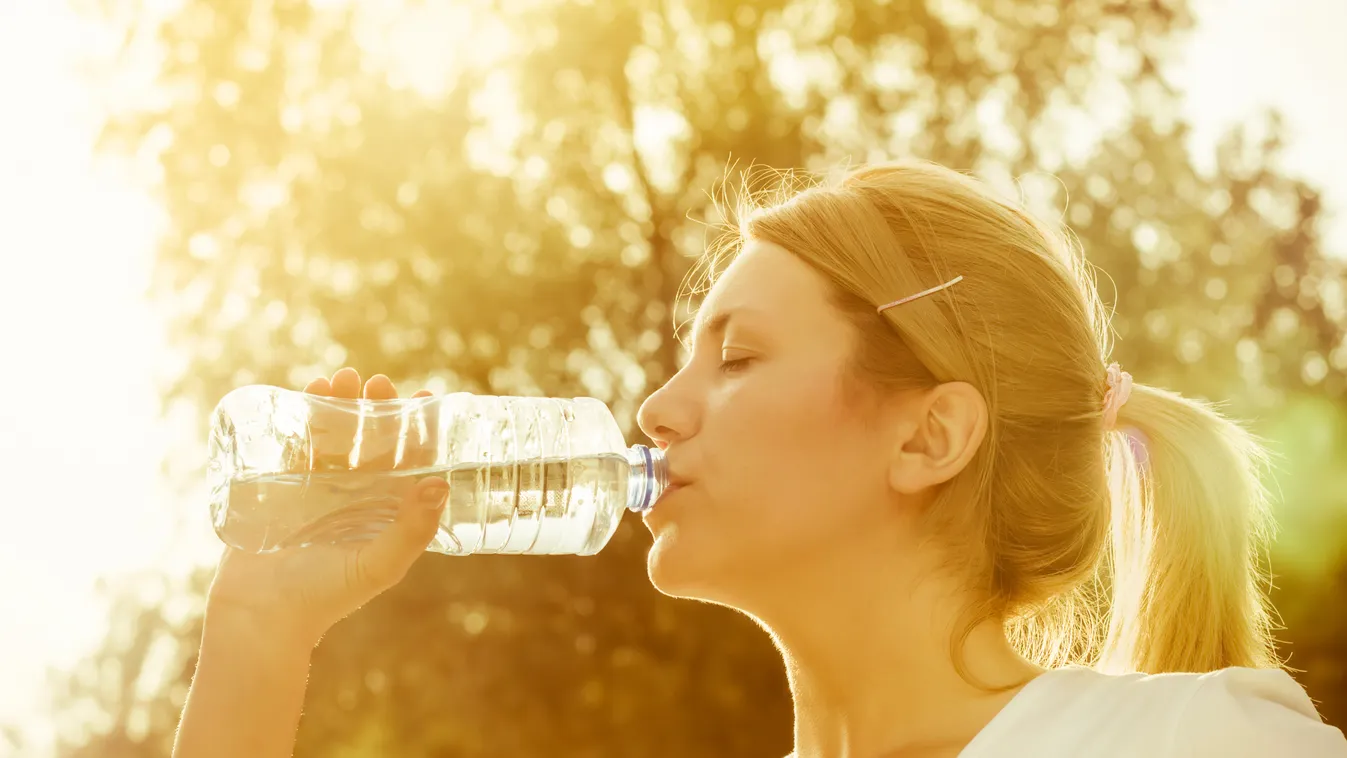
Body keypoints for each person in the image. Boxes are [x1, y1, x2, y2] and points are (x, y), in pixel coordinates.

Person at [173, 160, 1347, 757]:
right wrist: (259, 634)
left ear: (927, 434)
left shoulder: (1192, 743)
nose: (653, 410)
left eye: (734, 357)